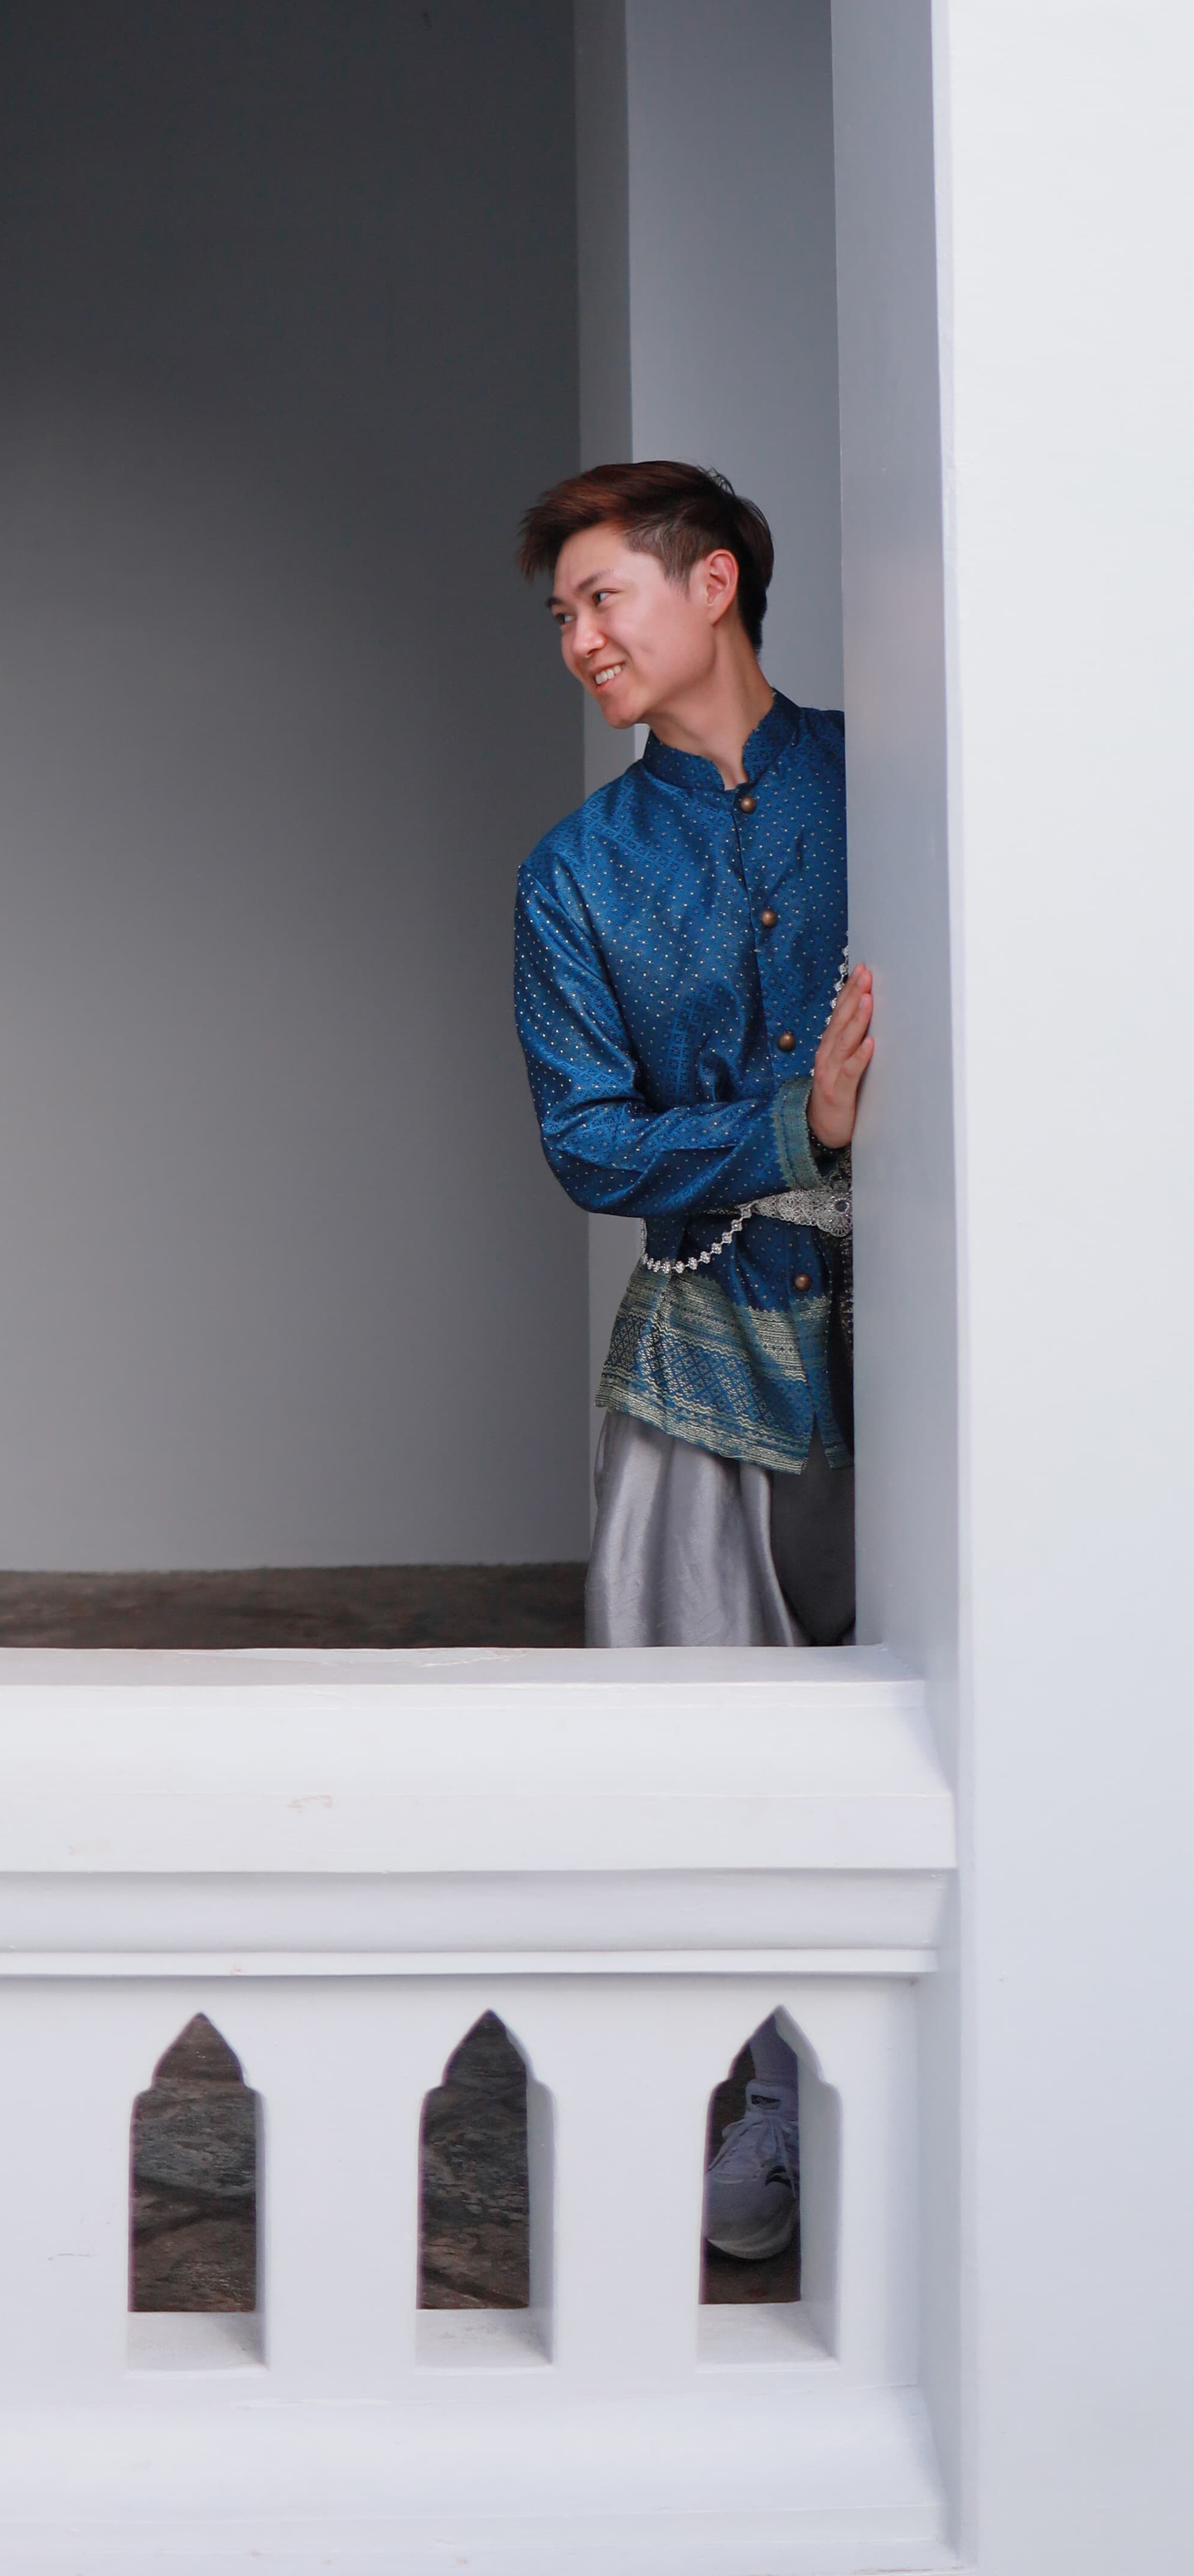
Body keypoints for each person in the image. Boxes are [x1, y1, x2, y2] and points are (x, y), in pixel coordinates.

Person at [511, 462, 873, 2259]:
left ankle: (894, 2087)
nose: (577, 638)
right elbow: (587, 1143)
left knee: (915, 1715)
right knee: (699, 1746)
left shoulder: (883, 781)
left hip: (917, 1334)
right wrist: (785, 1119)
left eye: (601, 598)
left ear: (710, 581)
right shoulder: (577, 872)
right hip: (700, 1355)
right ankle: (749, 2101)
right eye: (564, 615)